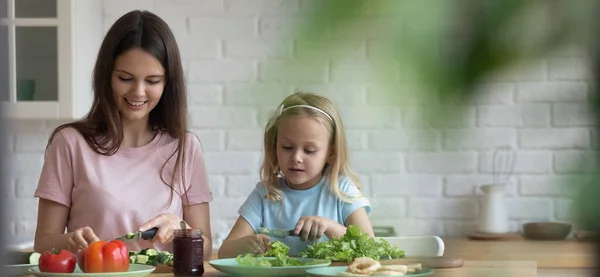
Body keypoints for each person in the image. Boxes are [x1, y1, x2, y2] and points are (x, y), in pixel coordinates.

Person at [33, 10, 213, 258]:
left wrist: (182, 228)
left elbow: (205, 249)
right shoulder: (70, 143)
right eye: (125, 78)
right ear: (106, 75)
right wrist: (68, 241)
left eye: (152, 81)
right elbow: (42, 243)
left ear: (168, 84)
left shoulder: (186, 147)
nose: (138, 92)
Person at [218, 92, 373, 258]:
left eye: (309, 150)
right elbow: (224, 252)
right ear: (274, 146)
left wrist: (329, 226)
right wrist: (244, 245)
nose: (296, 158)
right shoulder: (265, 194)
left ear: (331, 153)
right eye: (287, 147)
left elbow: (370, 247)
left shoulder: (342, 191)